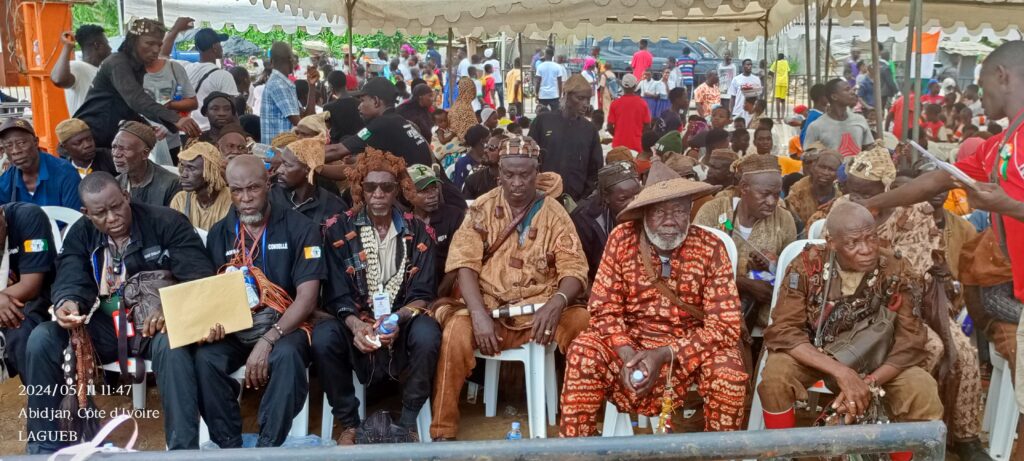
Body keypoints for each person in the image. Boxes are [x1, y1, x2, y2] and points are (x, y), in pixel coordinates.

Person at [24, 172, 215, 453]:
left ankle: (182, 450)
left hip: (158, 324)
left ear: (126, 196)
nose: (112, 218)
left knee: (173, 345)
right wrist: (68, 301)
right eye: (101, 213)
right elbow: (70, 275)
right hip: (110, 325)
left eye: (116, 207)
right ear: (86, 213)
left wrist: (171, 307)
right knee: (43, 338)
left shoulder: (166, 222)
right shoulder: (81, 233)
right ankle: (44, 448)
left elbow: (199, 277)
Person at [560, 157, 747, 436]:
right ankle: (577, 451)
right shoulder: (622, 239)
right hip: (629, 344)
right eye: (660, 212)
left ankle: (721, 452)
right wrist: (628, 355)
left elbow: (725, 325)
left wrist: (664, 354)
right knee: (583, 352)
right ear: (644, 212)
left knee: (728, 369)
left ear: (690, 210)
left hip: (688, 350)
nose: (670, 220)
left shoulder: (711, 246)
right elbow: (603, 309)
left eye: (679, 210)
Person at [430, 135, 589, 440]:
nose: (517, 183)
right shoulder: (481, 208)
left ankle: (579, 423)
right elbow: (465, 265)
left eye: (525, 174)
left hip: (542, 312)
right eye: (510, 175)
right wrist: (478, 314)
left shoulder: (555, 212)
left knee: (583, 324)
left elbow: (574, 269)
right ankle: (442, 431)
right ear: (498, 174)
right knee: (455, 332)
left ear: (537, 172)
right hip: (490, 310)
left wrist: (556, 302)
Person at [757, 201, 942, 461]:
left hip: (876, 360)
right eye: (853, 243)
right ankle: (780, 453)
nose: (866, 249)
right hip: (816, 355)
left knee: (922, 388)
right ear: (832, 243)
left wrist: (868, 383)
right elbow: (784, 330)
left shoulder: (896, 268)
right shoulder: (807, 264)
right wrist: (842, 372)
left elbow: (910, 341)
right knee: (775, 377)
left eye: (871, 238)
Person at [199, 155, 324, 448]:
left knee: (287, 356)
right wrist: (212, 325)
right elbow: (209, 294)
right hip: (236, 329)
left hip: (285, 326)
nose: (245, 198)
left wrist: (269, 339)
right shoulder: (220, 233)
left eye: (253, 188)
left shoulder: (300, 227)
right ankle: (229, 446)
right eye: (237, 190)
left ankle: (268, 447)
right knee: (205, 360)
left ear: (268, 184)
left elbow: (307, 299)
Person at [315, 150, 439, 445]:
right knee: (323, 338)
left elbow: (423, 293)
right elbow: (335, 293)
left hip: (402, 319)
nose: (379, 194)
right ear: (360, 189)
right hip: (353, 319)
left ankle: (408, 423)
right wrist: (357, 325)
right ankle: (349, 423)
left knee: (428, 334)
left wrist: (395, 319)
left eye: (387, 186)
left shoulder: (420, 231)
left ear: (398, 190)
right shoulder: (337, 229)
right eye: (371, 187)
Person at [694, 154, 796, 329]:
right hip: (711, 306)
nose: (772, 202)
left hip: (764, 314)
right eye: (765, 194)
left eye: (776, 194)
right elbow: (693, 263)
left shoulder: (784, 219)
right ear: (743, 188)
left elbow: (794, 270)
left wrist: (773, 265)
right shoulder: (714, 211)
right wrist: (745, 284)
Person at [75, 18, 200, 148]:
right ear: (133, 41)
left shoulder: (137, 68)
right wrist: (176, 119)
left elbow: (126, 107)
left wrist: (146, 126)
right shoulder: (117, 62)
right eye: (149, 43)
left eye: (159, 45)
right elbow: (136, 99)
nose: (156, 50)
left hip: (106, 137)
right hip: (87, 140)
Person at [0, 202, 56, 406]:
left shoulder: (28, 217)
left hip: (38, 300)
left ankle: (47, 410)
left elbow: (31, 286)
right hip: (6, 301)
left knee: (22, 333)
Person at [326, 77, 432, 168]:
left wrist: (314, 158)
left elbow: (336, 151)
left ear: (376, 101)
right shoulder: (397, 120)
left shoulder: (381, 125)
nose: (359, 107)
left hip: (416, 183)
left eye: (362, 101)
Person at [529, 75, 603, 202]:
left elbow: (595, 169)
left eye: (588, 99)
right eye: (580, 98)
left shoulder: (589, 130)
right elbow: (528, 158)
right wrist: (534, 181)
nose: (586, 104)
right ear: (566, 95)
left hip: (575, 202)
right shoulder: (542, 122)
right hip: (542, 197)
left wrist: (583, 200)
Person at [161, 19, 240, 132]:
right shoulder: (224, 76)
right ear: (215, 47)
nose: (222, 48)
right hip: (209, 133)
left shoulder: (184, 67)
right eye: (220, 44)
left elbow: (162, 55)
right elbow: (232, 112)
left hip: (185, 129)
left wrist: (175, 30)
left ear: (197, 48)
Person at [570, 161, 642, 283]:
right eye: (623, 199)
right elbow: (579, 268)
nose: (633, 204)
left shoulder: (650, 211)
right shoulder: (584, 219)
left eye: (637, 196)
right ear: (606, 198)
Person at [407, 163, 466, 295]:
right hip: (413, 292)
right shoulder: (404, 222)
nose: (432, 195)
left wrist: (438, 295)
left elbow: (459, 261)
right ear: (408, 194)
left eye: (434, 188)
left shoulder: (454, 216)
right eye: (423, 191)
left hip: (447, 288)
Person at [0, 118, 81, 208]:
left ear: (36, 142)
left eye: (21, 143)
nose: (15, 151)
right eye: (9, 146)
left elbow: (75, 215)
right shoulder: (7, 178)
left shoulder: (65, 172)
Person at [112, 121, 181, 207]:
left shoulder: (171, 184)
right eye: (114, 147)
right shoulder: (115, 185)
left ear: (145, 153)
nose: (116, 154)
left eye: (124, 149)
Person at [260, 42, 316, 144]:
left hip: (285, 148)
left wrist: (311, 86)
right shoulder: (278, 84)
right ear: (292, 60)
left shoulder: (284, 84)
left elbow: (306, 117)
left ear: (271, 62)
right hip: (278, 150)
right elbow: (301, 125)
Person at [803, 78, 874, 157]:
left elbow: (869, 147)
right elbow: (807, 156)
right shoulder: (816, 126)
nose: (852, 92)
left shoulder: (860, 120)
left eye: (851, 89)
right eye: (847, 90)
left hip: (858, 165)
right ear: (834, 97)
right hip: (831, 165)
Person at [170, 142, 232, 230]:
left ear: (210, 171)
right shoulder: (180, 200)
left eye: (191, 168)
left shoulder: (231, 200)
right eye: (183, 167)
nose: (183, 175)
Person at [51, 25, 111, 115]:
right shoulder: (77, 67)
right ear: (97, 45)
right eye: (107, 43)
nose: (110, 48)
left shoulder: (103, 71)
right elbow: (58, 79)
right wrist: (67, 47)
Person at [785, 148, 841, 226]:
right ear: (813, 167)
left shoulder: (839, 196)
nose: (825, 173)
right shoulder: (798, 191)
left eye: (831, 169)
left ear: (838, 174)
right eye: (822, 167)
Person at [607, 74, 650, 152]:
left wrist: (617, 135)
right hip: (637, 145)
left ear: (622, 86)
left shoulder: (614, 104)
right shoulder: (643, 103)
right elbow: (647, 126)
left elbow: (609, 127)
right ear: (635, 86)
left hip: (618, 146)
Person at [463, 132, 505, 200]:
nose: (485, 150)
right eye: (486, 147)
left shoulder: (516, 180)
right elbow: (467, 205)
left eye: (491, 148)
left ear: (505, 152)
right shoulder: (473, 180)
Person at [451, 125, 490, 190]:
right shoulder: (463, 162)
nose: (491, 142)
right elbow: (459, 188)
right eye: (489, 139)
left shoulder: (489, 157)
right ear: (482, 141)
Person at [768, 53, 790, 118]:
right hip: (784, 82)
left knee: (777, 100)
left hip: (777, 82)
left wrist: (774, 76)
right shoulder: (786, 62)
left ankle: (778, 117)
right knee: (783, 100)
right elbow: (789, 71)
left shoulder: (776, 63)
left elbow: (770, 72)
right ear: (783, 57)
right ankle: (783, 116)